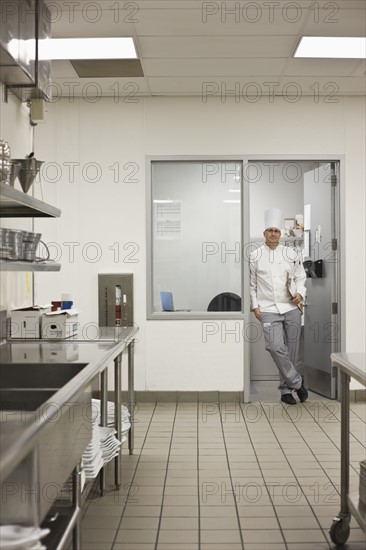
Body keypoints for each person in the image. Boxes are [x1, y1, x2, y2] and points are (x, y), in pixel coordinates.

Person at [249, 208, 308, 405]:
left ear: (280, 234)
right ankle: (297, 383)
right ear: (264, 233)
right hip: (267, 309)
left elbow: (301, 277)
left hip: (291, 307)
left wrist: (300, 292)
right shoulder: (255, 255)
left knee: (291, 350)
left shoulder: (291, 253)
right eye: (269, 230)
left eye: (276, 230)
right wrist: (255, 306)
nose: (273, 233)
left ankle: (285, 391)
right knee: (275, 347)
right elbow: (252, 285)